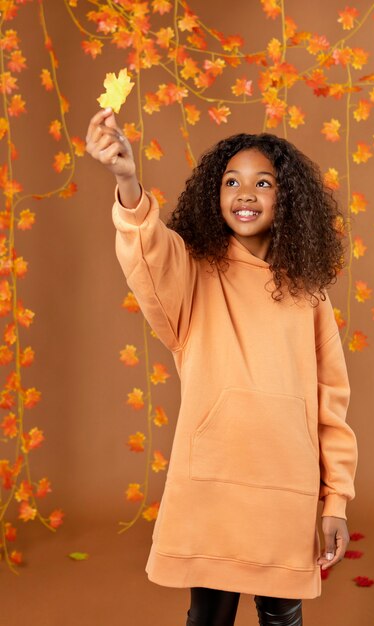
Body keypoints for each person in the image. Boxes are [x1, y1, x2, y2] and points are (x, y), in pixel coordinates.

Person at [86, 107, 358, 626]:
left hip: (286, 490)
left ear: (289, 201)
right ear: (216, 194)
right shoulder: (190, 276)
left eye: (263, 183)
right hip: (213, 485)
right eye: (232, 181)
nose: (245, 193)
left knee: (282, 615)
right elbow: (148, 250)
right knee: (208, 616)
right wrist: (127, 181)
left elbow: (331, 406)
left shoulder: (310, 294)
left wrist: (335, 502)